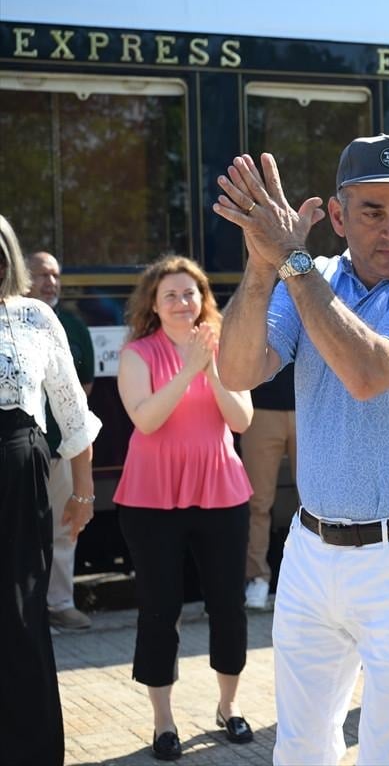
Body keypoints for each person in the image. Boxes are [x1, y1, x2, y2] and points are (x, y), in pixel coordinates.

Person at [213, 134, 389, 765]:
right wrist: (263, 264)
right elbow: (237, 369)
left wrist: (292, 261)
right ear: (337, 217)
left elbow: (367, 372)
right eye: (373, 211)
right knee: (299, 751)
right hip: (313, 550)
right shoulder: (313, 275)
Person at [113, 255, 255, 760]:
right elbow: (146, 420)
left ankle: (228, 706)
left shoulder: (225, 347)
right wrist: (187, 371)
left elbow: (241, 420)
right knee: (160, 609)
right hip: (152, 497)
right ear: (153, 304)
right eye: (169, 295)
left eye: (189, 293)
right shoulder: (137, 353)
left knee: (228, 605)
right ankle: (164, 721)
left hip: (221, 492)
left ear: (203, 299)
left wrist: (210, 368)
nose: (180, 303)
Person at [1, 217, 100, 766]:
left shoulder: (34, 316)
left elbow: (72, 410)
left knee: (20, 614)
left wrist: (83, 492)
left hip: (18, 474)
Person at [25, 251, 96, 630]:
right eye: (41, 274)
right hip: (19, 449)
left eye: (55, 275)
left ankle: (60, 603)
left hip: (64, 448)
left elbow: (84, 388)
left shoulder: (73, 326)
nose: (50, 282)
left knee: (64, 528)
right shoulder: (12, 321)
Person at [241, 363, 297, 610]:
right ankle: (257, 577)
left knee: (317, 504)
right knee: (257, 502)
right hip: (260, 405)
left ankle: (311, 578)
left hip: (310, 405)